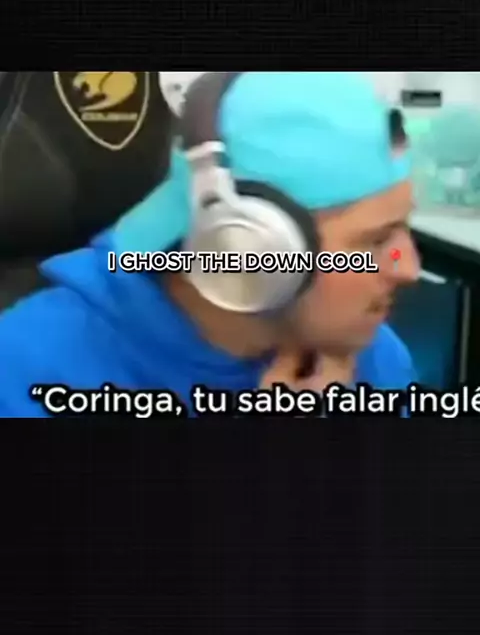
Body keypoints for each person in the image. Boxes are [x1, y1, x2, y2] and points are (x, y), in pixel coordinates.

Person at [0, 72, 420, 418]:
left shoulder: (369, 356)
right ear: (247, 249)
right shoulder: (30, 372)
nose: (409, 268)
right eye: (375, 242)